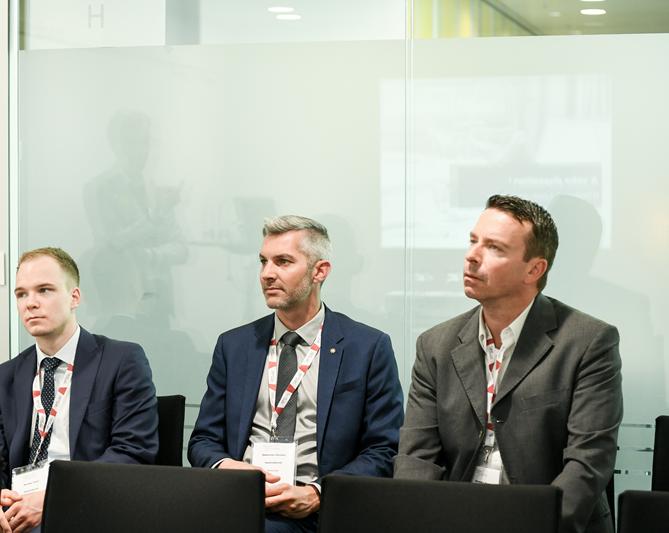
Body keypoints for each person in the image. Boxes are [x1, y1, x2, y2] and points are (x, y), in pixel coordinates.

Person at [394, 195, 623, 533]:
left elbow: (587, 464)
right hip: (454, 518)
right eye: (473, 241)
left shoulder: (588, 342)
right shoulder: (436, 344)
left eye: (494, 248)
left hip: (546, 523)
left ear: (534, 269)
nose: (472, 256)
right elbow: (417, 458)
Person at [188, 215, 405, 533]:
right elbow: (203, 440)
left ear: (320, 271)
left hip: (318, 510)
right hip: (239, 500)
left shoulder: (367, 347)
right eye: (263, 261)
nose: (267, 273)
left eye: (283, 262)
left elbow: (384, 449)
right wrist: (227, 467)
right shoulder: (234, 346)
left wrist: (317, 494)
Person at [0, 247, 159, 533]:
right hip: (18, 511)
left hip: (88, 508)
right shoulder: (8, 374)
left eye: (44, 290)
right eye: (22, 294)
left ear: (74, 297)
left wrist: (53, 497)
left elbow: (133, 452)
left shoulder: (122, 360)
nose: (31, 303)